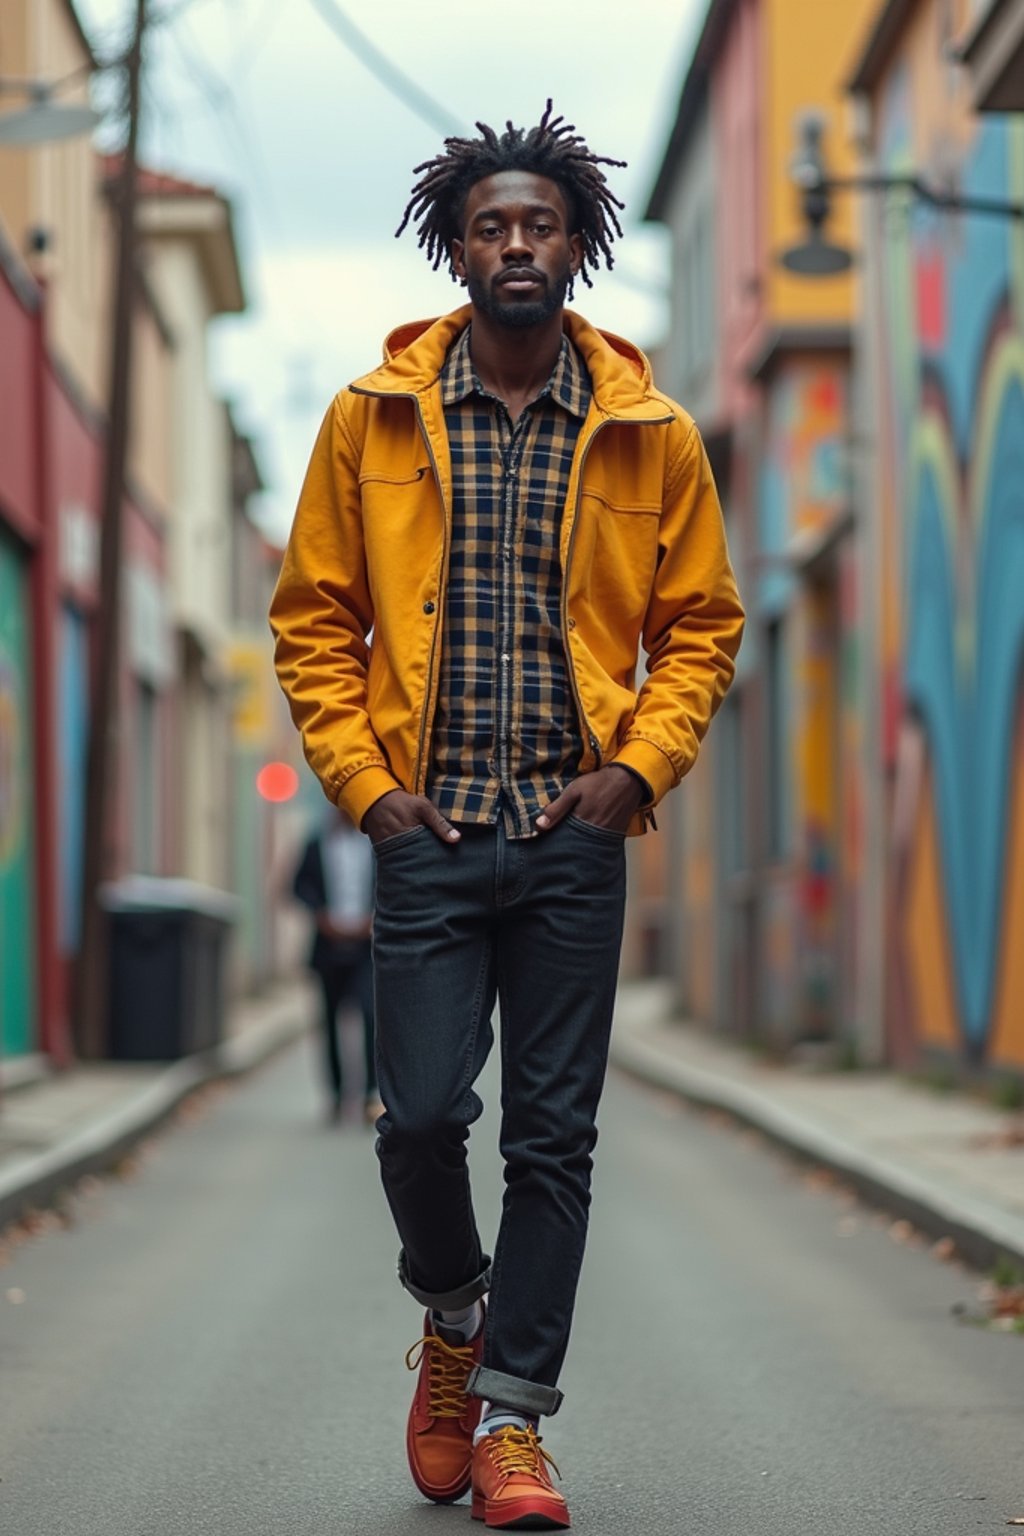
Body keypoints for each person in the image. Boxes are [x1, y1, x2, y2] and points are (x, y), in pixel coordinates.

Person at [271, 103, 744, 1530]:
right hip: (426, 833)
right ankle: (453, 1316)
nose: (519, 243)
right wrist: (366, 790)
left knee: (553, 1140)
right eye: (494, 225)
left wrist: (639, 773)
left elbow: (702, 626)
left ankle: (515, 1426)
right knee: (417, 1120)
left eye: (542, 223)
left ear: (578, 243)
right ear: (456, 246)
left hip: (568, 838)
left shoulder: (650, 432)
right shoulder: (372, 418)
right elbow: (313, 621)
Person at [291, 807, 381, 1125]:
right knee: (329, 1024)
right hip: (328, 948)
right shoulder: (316, 845)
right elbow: (298, 886)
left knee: (371, 1019)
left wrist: (374, 918)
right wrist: (321, 916)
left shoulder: (376, 846)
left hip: (366, 948)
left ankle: (371, 1093)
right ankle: (337, 1096)